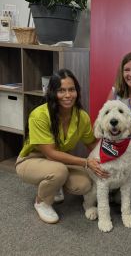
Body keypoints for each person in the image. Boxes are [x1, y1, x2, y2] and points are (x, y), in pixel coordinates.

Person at [16, 69, 107, 224]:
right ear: (52, 93)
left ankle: (55, 184)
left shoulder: (81, 116)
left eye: (71, 89)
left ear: (77, 91)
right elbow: (50, 154)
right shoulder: (39, 115)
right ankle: (42, 202)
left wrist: (109, 158)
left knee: (84, 184)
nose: (67, 95)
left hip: (61, 161)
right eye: (61, 90)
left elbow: (92, 143)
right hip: (31, 160)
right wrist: (86, 162)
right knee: (58, 171)